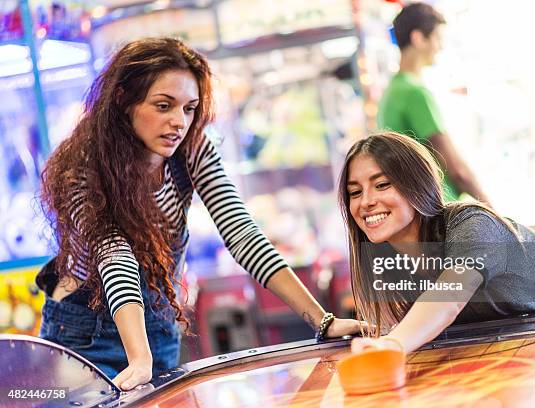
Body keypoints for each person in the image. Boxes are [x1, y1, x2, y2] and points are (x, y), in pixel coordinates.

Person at [38, 38, 361, 390]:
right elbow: (116, 256)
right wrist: (139, 357)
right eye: (164, 105)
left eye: (189, 108)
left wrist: (323, 321)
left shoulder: (190, 148)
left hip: (156, 328)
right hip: (85, 336)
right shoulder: (83, 168)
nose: (179, 121)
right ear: (123, 101)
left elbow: (240, 231)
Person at [337, 131, 535, 353]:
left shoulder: (473, 224)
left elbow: (448, 298)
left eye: (382, 184)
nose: (367, 201)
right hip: (505, 332)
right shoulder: (387, 257)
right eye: (355, 192)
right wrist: (378, 336)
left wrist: (392, 343)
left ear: (417, 185)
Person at [378, 2, 491, 206]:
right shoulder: (414, 93)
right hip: (441, 210)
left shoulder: (391, 93)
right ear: (419, 38)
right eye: (438, 38)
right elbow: (456, 169)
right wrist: (496, 215)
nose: (441, 46)